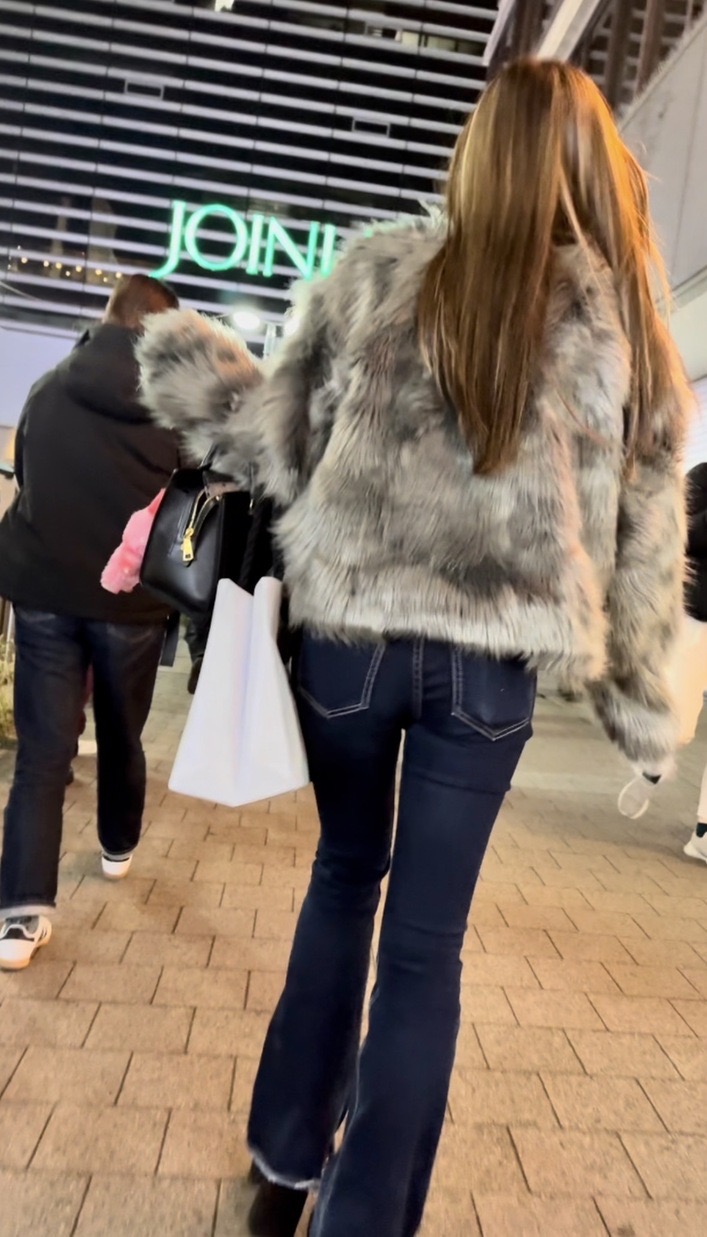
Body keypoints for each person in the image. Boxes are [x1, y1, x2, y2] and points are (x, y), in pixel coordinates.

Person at [138, 59, 690, 1237]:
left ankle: (284, 1164)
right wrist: (638, 701)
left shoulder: (378, 276)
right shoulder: (625, 325)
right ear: (595, 169)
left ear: (475, 155)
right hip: (489, 670)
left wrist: (191, 364)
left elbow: (274, 446)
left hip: (350, 642)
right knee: (426, 950)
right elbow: (643, 533)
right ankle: (365, 1218)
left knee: (343, 878)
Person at [0, 274, 181, 970]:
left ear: (108, 317)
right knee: (122, 733)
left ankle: (20, 916)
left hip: (44, 589)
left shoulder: (47, 389)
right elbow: (189, 503)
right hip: (130, 602)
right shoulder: (172, 409)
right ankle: (117, 843)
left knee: (43, 753)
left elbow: (26, 476)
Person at [619, 462, 707, 861]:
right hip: (696, 617)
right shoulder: (703, 476)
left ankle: (703, 833)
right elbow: (679, 534)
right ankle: (651, 764)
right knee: (679, 724)